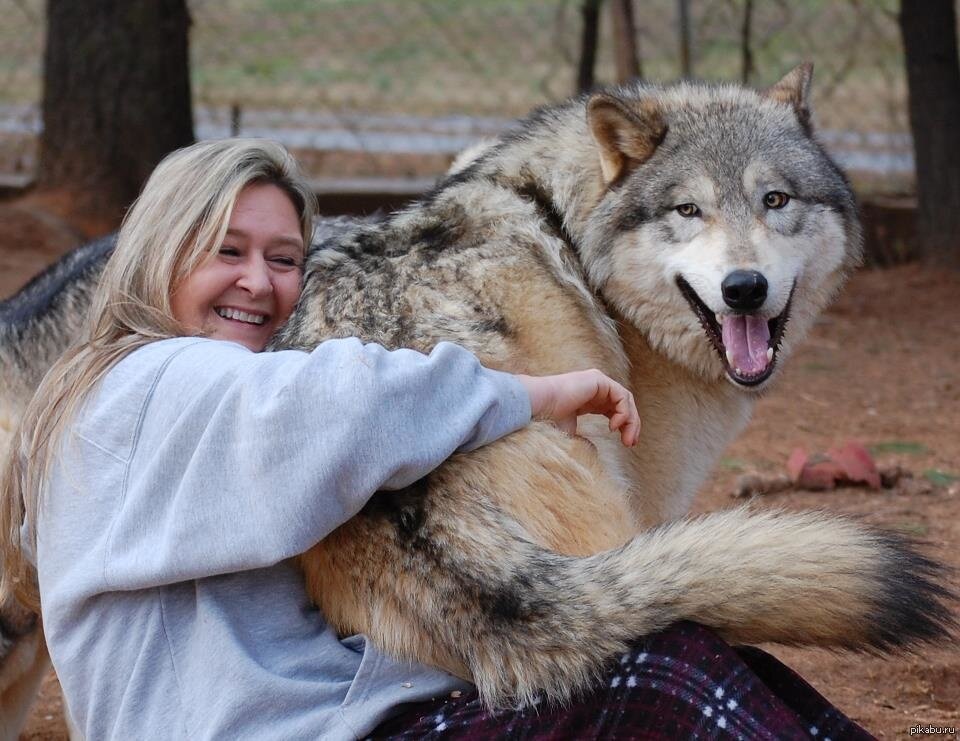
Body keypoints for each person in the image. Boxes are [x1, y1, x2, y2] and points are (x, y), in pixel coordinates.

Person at [0, 139, 872, 741]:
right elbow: (342, 406)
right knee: (661, 683)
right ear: (158, 254)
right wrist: (530, 391)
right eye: (226, 252)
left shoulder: (116, 396)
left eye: (285, 258)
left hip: (303, 718)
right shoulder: (155, 381)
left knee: (676, 666)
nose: (262, 285)